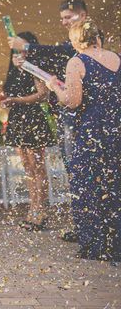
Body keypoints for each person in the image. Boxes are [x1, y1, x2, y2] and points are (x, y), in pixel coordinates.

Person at [8, 0, 88, 242]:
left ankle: (89, 225)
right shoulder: (70, 43)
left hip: (84, 114)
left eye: (69, 17)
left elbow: (60, 53)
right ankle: (82, 223)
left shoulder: (87, 39)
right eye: (62, 18)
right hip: (66, 111)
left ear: (83, 15)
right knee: (72, 168)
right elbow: (50, 72)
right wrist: (28, 65)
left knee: (82, 169)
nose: (64, 22)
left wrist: (29, 49)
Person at [46, 18, 120, 263]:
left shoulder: (76, 62)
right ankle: (116, 241)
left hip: (91, 133)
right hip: (116, 131)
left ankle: (95, 245)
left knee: (87, 186)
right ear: (98, 37)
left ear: (76, 40)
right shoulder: (117, 58)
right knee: (114, 186)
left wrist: (54, 87)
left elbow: (72, 101)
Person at [1, 32, 54, 231]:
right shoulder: (12, 70)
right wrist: (7, 99)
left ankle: (42, 211)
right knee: (27, 168)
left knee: (38, 167)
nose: (17, 53)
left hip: (33, 119)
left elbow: (42, 94)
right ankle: (32, 209)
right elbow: (9, 91)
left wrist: (17, 101)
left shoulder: (34, 66)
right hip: (17, 119)